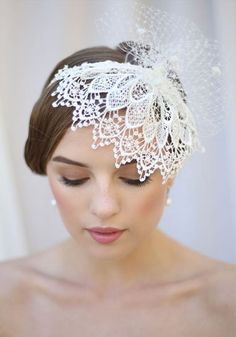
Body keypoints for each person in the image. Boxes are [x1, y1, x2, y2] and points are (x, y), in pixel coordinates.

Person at [0, 40, 236, 336]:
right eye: (74, 178)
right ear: (47, 169)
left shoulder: (227, 305)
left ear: (171, 170)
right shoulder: (6, 301)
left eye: (135, 177)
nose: (104, 207)